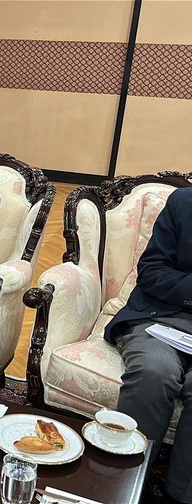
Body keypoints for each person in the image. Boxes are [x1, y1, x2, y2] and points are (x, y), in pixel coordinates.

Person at [104, 187, 192, 504]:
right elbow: (152, 272)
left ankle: (180, 496)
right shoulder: (184, 203)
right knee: (154, 371)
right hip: (163, 318)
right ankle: (125, 486)